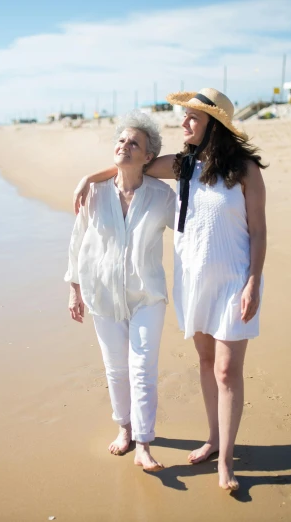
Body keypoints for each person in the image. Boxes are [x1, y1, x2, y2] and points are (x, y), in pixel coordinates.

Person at [73, 88, 267, 491]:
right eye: (184, 116)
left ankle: (226, 461)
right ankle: (213, 438)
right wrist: (89, 178)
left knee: (227, 369)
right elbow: (130, 166)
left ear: (214, 125)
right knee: (205, 362)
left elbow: (260, 230)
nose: (184, 123)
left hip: (234, 279)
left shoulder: (246, 170)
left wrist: (253, 280)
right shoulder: (183, 164)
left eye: (192, 118)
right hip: (193, 279)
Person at [65, 110, 176, 472]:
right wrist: (74, 289)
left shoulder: (162, 196)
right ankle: (124, 429)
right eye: (121, 140)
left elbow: (192, 233)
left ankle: (144, 443)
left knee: (142, 368)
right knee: (116, 369)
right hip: (102, 294)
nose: (124, 146)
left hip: (147, 296)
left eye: (134, 143)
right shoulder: (94, 192)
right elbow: (78, 242)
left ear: (148, 156)